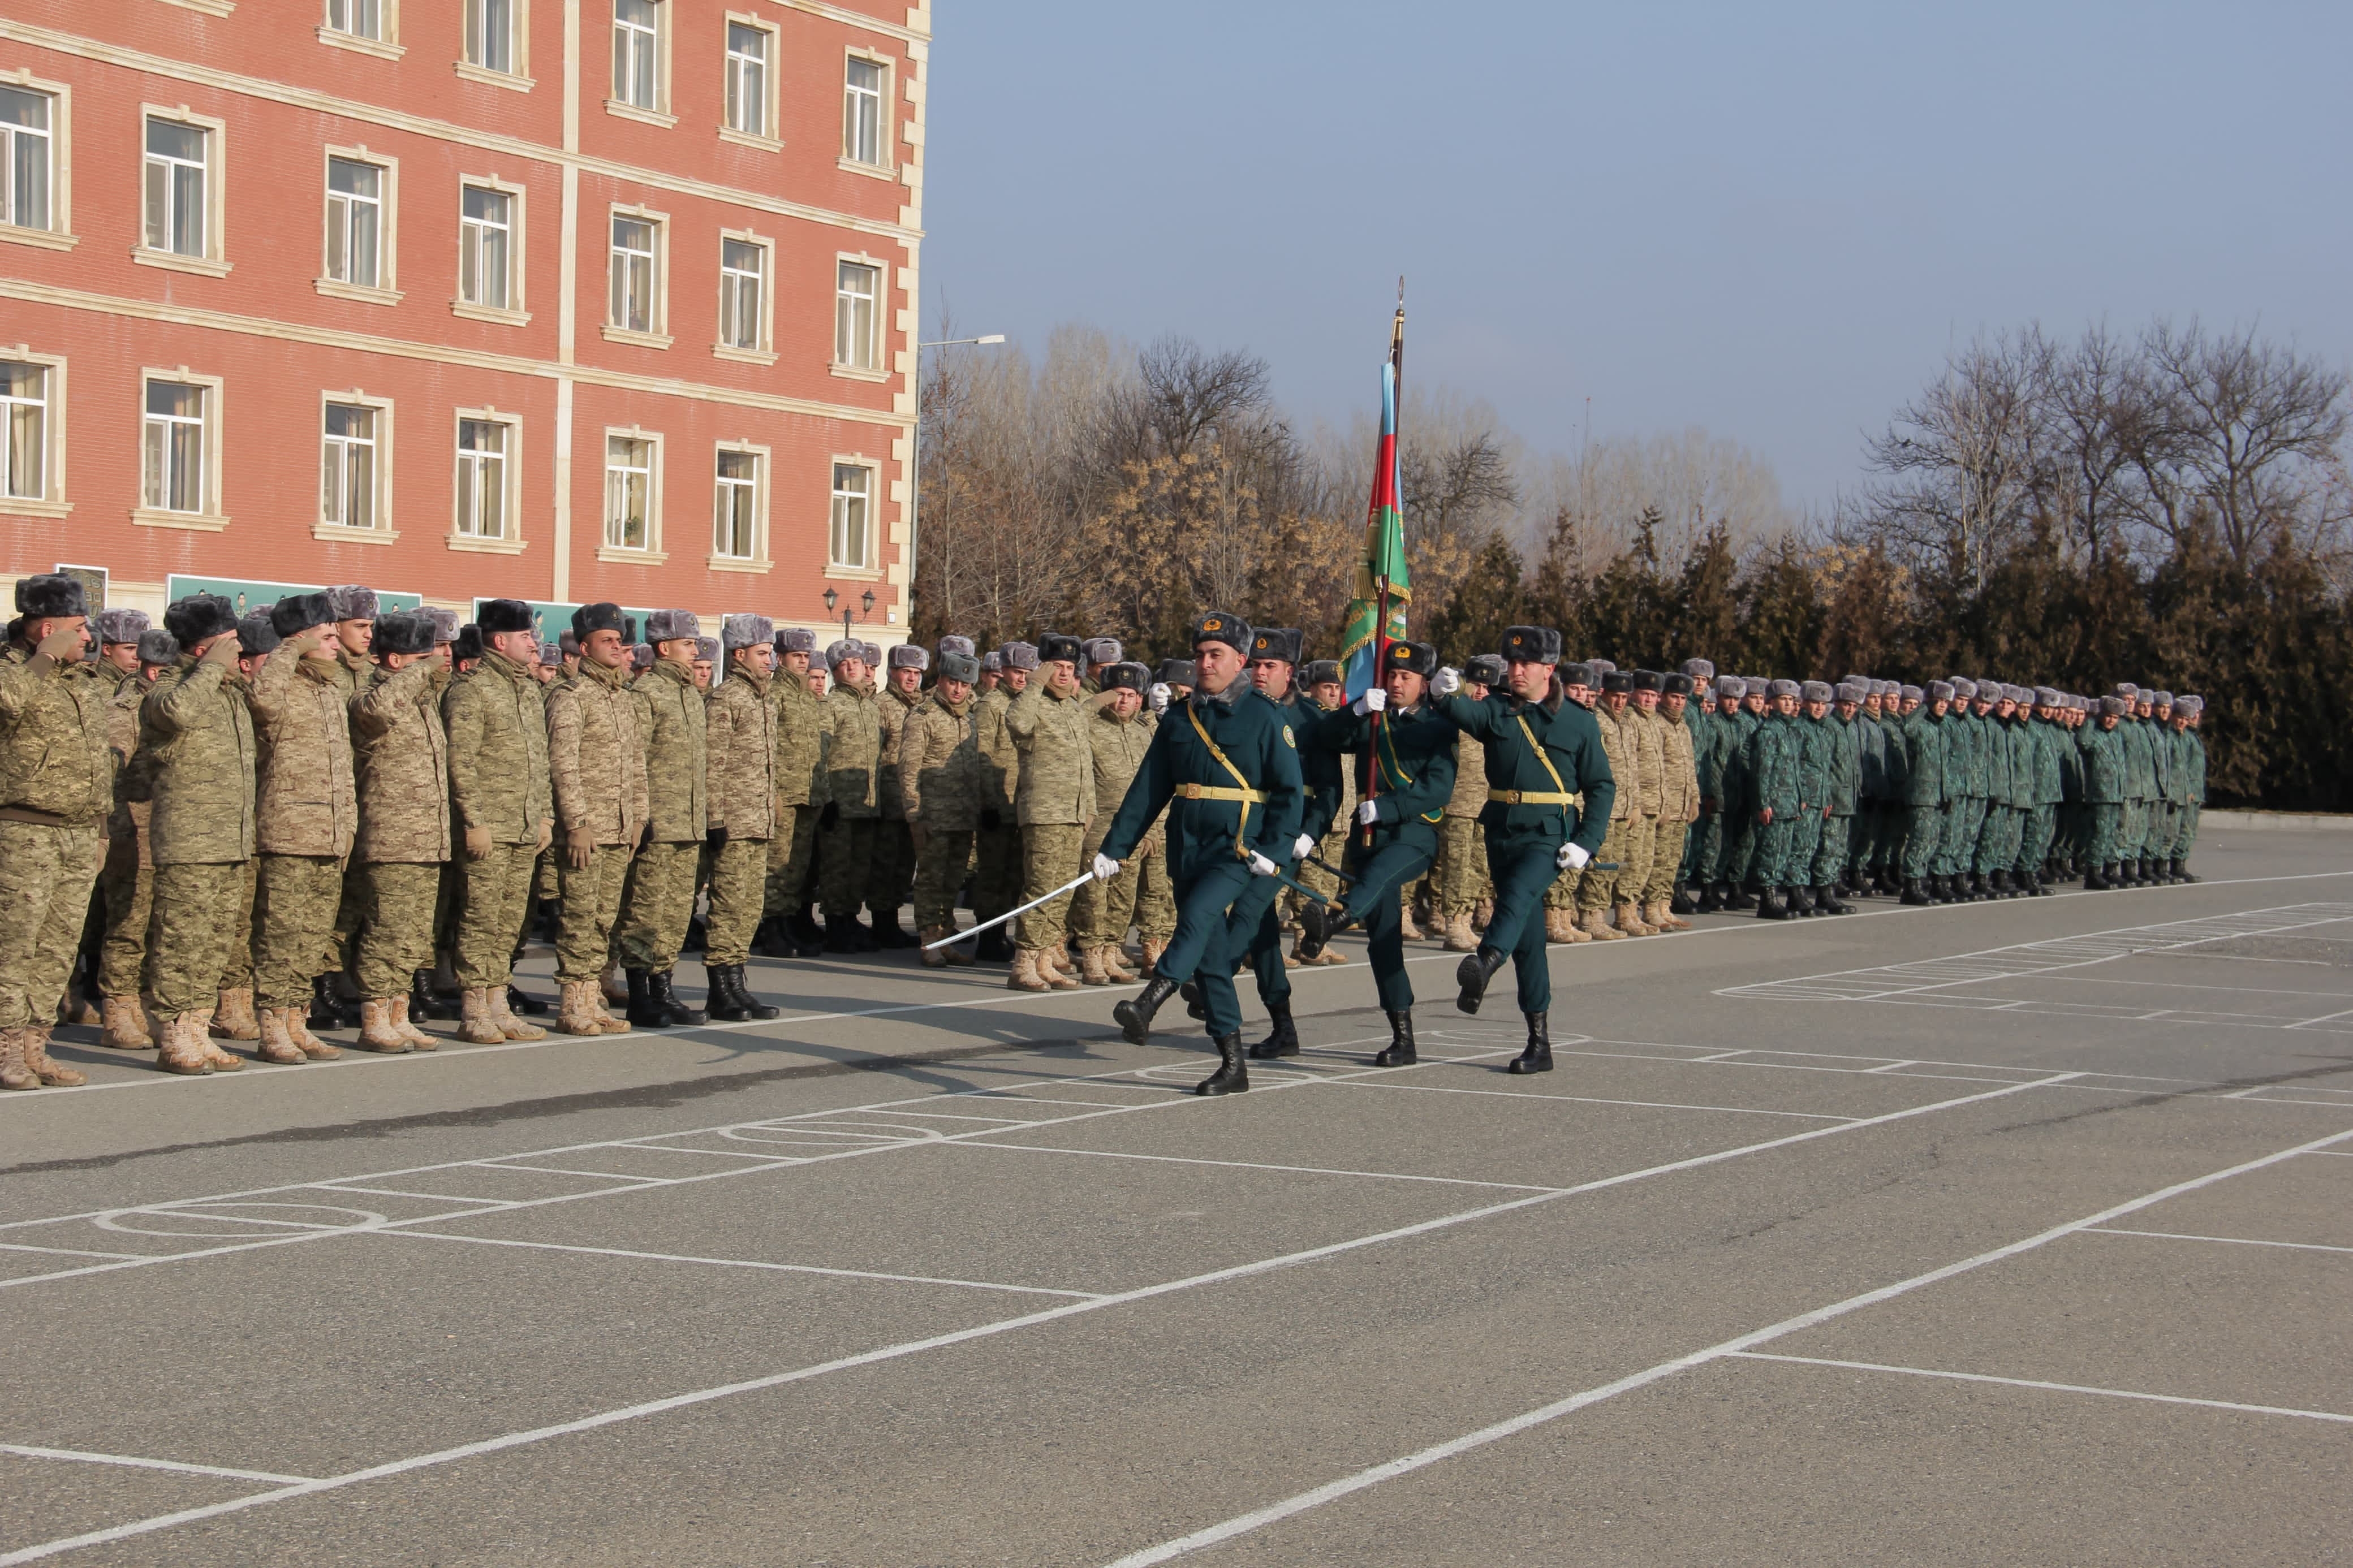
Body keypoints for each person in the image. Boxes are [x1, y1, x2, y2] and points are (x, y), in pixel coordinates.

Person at [1097, 612, 1303, 1096]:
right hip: (1186, 847)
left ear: (1241, 660)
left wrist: (1273, 850)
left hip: (1237, 850)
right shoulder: (1181, 719)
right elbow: (1149, 789)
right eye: (1200, 655)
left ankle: (1150, 1001)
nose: (1205, 663)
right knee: (1211, 960)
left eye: (1216, 655)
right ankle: (1233, 1063)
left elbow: (1290, 792)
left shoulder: (1267, 716)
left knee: (1197, 918)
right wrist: (1115, 847)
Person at [1431, 627, 1614, 1073]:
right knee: (1530, 941)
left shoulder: (1578, 720)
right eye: (1511, 664)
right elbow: (1461, 713)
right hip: (1502, 832)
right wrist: (1440, 690)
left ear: (1548, 669)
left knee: (1512, 902)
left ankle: (1485, 960)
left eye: (1524, 665)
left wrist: (1586, 843)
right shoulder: (1496, 709)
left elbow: (1602, 785)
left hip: (1549, 835)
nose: (1514, 671)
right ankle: (1540, 1041)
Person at [1291, 640, 1459, 1065]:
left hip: (1413, 834)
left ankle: (1334, 918)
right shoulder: (1374, 716)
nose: (1397, 682)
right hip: (1370, 835)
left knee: (1381, 873)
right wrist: (1358, 710)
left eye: (1406, 677)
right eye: (1392, 675)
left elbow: (1437, 788)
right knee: (1384, 941)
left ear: (1424, 683)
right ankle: (1403, 1037)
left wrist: (1385, 806)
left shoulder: (1439, 726)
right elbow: (1326, 737)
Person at [0, 576, 110, 1089]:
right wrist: (43, 657)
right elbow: (8, 703)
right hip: (25, 831)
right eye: (77, 628)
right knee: (14, 945)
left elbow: (97, 762)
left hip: (79, 832)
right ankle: (5, 1050)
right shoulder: (13, 670)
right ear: (47, 629)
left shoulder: (82, 683)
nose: (87, 637)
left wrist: (101, 829)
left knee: (58, 947)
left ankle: (35, 1045)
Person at [139, 595, 257, 1074]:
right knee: (180, 942)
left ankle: (199, 1028)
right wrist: (210, 667)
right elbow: (176, 713)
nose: (238, 650)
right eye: (230, 642)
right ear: (206, 646)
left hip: (231, 840)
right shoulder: (169, 686)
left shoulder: (229, 691)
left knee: (214, 945)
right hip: (190, 842)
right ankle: (175, 1035)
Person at [244, 592, 359, 1064]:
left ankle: (298, 1019)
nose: (338, 645)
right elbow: (261, 701)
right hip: (289, 830)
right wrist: (289, 647)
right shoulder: (280, 683)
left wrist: (348, 822)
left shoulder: (330, 689)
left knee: (312, 936)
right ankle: (272, 1026)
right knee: (281, 934)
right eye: (328, 636)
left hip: (330, 832)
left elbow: (344, 765)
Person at [441, 599, 554, 1040]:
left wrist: (543, 816)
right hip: (490, 826)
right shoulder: (472, 689)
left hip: (523, 826)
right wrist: (473, 820)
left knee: (509, 921)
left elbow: (538, 759)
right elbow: (461, 760)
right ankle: (474, 1009)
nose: (533, 644)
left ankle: (497, 1001)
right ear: (500, 640)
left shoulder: (526, 689)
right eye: (526, 636)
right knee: (480, 918)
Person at [345, 611, 455, 1053]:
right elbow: (374, 714)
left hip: (427, 836)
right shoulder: (369, 695)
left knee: (413, 933)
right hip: (391, 836)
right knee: (386, 929)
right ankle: (374, 1016)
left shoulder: (424, 702)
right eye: (423, 657)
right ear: (395, 659)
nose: (437, 662)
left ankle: (398, 1011)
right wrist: (418, 674)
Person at [546, 603, 648, 1036]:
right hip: (587, 829)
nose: (617, 648)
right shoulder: (571, 697)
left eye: (620, 641)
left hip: (620, 827)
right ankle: (573, 1004)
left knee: (605, 919)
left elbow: (636, 763)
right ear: (584, 647)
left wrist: (640, 816)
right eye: (607, 641)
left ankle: (593, 997)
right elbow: (562, 764)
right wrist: (575, 822)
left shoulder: (622, 697)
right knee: (580, 917)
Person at [614, 610, 708, 1027]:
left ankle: (663, 988)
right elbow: (633, 759)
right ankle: (639, 993)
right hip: (658, 822)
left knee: (675, 912)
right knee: (645, 910)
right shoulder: (646, 692)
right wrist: (641, 813)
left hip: (688, 822)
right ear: (665, 647)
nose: (695, 651)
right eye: (689, 644)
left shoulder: (690, 695)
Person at [700, 615, 782, 1021]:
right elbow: (712, 764)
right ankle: (720, 988)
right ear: (739, 654)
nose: (771, 661)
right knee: (728, 904)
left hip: (758, 821)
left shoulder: (764, 698)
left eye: (771, 653)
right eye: (763, 654)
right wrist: (714, 818)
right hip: (732, 822)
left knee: (750, 906)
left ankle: (738, 983)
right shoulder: (725, 699)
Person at [1004, 632, 1097, 992]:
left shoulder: (1073, 708)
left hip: (1074, 814)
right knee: (1040, 890)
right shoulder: (1033, 704)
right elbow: (1018, 724)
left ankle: (1045, 960)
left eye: (1069, 667)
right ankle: (1023, 962)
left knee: (1062, 892)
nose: (1063, 673)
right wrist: (1032, 685)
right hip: (1044, 813)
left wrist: (1088, 807)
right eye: (1056, 666)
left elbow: (1084, 764)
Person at [93, 620, 169, 1049]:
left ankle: (145, 1004)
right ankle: (118, 1011)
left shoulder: (165, 705)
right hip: (131, 832)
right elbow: (114, 775)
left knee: (159, 926)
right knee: (128, 924)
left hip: (165, 830)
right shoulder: (124, 711)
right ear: (154, 671)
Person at [1070, 660, 1157, 984]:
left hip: (1132, 828)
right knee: (1094, 896)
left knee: (1123, 896)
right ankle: (1091, 956)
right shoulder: (1090, 726)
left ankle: (1111, 952)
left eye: (1132, 695)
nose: (1124, 701)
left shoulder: (1142, 732)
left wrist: (1148, 829)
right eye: (1117, 694)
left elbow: (1151, 787)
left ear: (1140, 699)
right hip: (1098, 825)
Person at [901, 649, 988, 966]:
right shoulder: (922, 716)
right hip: (933, 816)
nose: (958, 690)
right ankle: (929, 939)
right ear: (940, 681)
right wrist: (914, 815)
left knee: (953, 879)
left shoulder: (971, 717)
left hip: (963, 815)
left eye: (965, 685)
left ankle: (946, 934)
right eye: (953, 682)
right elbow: (909, 769)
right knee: (930, 879)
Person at [760, 627, 827, 958]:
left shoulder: (806, 697)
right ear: (780, 658)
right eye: (796, 656)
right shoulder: (774, 695)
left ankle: (787, 921)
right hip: (784, 795)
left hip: (808, 795)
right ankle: (771, 926)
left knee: (797, 867)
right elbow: (766, 748)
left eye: (805, 657)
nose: (802, 662)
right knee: (777, 864)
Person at [818, 640, 884, 952]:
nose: (852, 667)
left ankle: (850, 917)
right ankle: (835, 923)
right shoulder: (830, 706)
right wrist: (828, 798)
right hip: (841, 803)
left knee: (860, 867)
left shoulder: (871, 708)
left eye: (856, 661)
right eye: (844, 664)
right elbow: (820, 755)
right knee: (837, 867)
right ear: (835, 672)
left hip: (867, 802)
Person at [1430, 655, 1498, 951]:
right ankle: (1454, 924)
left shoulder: (1488, 718)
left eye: (1487, 687)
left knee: (1478, 866)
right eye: (1476, 685)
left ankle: (1467, 918)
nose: (1481, 692)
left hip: (1484, 804)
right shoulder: (1452, 715)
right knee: (1456, 867)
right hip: (1456, 804)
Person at [1575, 670, 1644, 939]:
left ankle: (1602, 914)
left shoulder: (1627, 723)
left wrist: (1634, 802)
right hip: (1601, 807)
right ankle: (1589, 915)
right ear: (1604, 694)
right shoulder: (1596, 721)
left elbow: (1632, 766)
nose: (1620, 702)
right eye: (1615, 696)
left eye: (1625, 697)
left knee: (1611, 865)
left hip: (1623, 806)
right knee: (1596, 864)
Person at [870, 643, 929, 946]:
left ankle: (892, 920)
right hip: (889, 799)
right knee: (885, 864)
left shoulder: (922, 707)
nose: (912, 679)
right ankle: (882, 922)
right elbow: (873, 755)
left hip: (913, 801)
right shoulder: (881, 706)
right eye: (907, 672)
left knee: (905, 865)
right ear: (893, 672)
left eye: (917, 674)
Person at [1648, 672, 1700, 930]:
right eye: (1674, 697)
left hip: (1682, 805)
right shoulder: (1657, 724)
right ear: (1663, 697)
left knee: (1672, 860)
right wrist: (1663, 803)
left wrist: (1695, 799)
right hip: (1665, 805)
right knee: (1657, 860)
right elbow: (1656, 768)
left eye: (1683, 698)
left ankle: (1663, 905)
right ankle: (1650, 907)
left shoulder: (1683, 726)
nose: (1679, 702)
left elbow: (1690, 766)